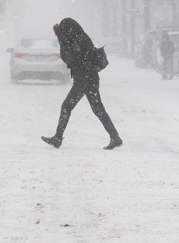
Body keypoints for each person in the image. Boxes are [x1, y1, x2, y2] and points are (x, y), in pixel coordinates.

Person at [41, 18, 123, 150]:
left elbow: (68, 58)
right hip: (91, 78)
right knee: (98, 109)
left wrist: (61, 40)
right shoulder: (82, 37)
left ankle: (58, 138)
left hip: (83, 79)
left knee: (67, 106)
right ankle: (115, 137)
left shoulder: (75, 40)